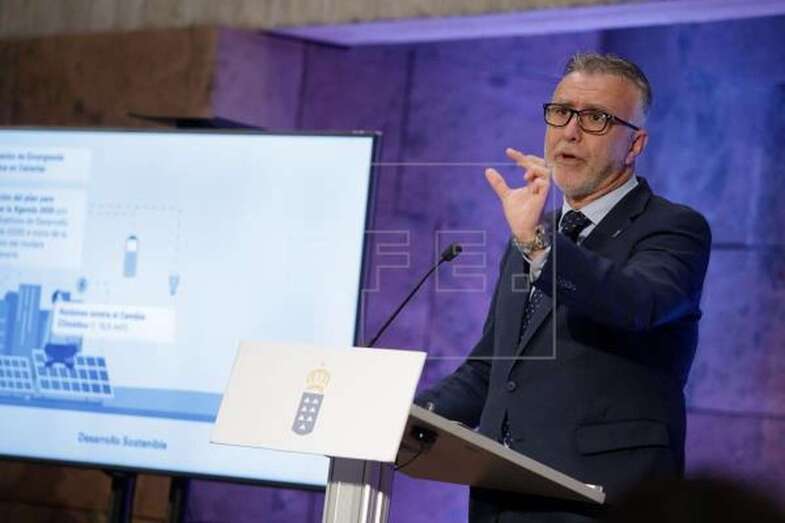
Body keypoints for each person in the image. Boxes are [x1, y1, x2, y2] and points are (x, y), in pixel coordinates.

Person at [416, 52, 712, 522]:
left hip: (599, 503)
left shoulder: (673, 228)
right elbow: (490, 369)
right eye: (561, 112)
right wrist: (404, 415)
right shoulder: (537, 233)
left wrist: (538, 244)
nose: (570, 131)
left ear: (635, 145)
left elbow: (639, 301)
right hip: (503, 501)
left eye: (595, 118)